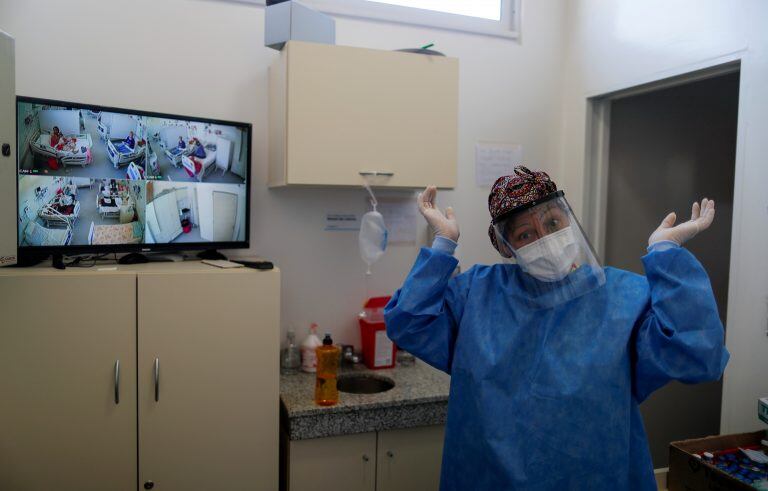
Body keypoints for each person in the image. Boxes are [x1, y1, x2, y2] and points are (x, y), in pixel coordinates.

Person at [385, 166, 729, 490]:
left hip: (595, 476)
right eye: (525, 234)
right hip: (489, 476)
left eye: (553, 223)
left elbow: (699, 356)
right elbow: (408, 323)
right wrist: (443, 244)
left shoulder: (623, 297)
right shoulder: (477, 294)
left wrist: (666, 255)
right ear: (505, 247)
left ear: (570, 221)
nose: (545, 239)